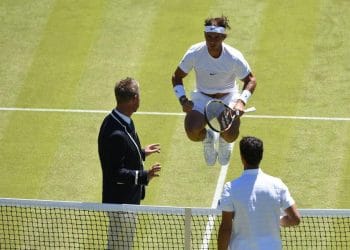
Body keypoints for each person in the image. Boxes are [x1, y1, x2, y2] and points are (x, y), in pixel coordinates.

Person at [171, 15, 257, 166]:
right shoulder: (194, 52)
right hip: (202, 97)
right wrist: (183, 100)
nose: (211, 41)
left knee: (230, 134)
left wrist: (241, 101)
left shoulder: (234, 57)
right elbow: (177, 76)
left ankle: (225, 140)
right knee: (192, 131)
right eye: (208, 36)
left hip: (228, 97)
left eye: (216, 37)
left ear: (223, 36)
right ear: (204, 35)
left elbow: (251, 80)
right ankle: (208, 138)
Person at [98, 77, 162, 249]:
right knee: (120, 246)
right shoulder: (115, 133)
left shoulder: (122, 120)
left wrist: (141, 152)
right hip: (121, 203)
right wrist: (144, 176)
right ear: (134, 99)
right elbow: (115, 172)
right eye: (139, 96)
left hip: (127, 200)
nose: (140, 98)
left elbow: (122, 154)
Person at [217, 136, 301, 250]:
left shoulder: (230, 188)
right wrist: (279, 220)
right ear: (261, 156)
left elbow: (226, 228)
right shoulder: (277, 185)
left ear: (242, 158)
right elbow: (295, 219)